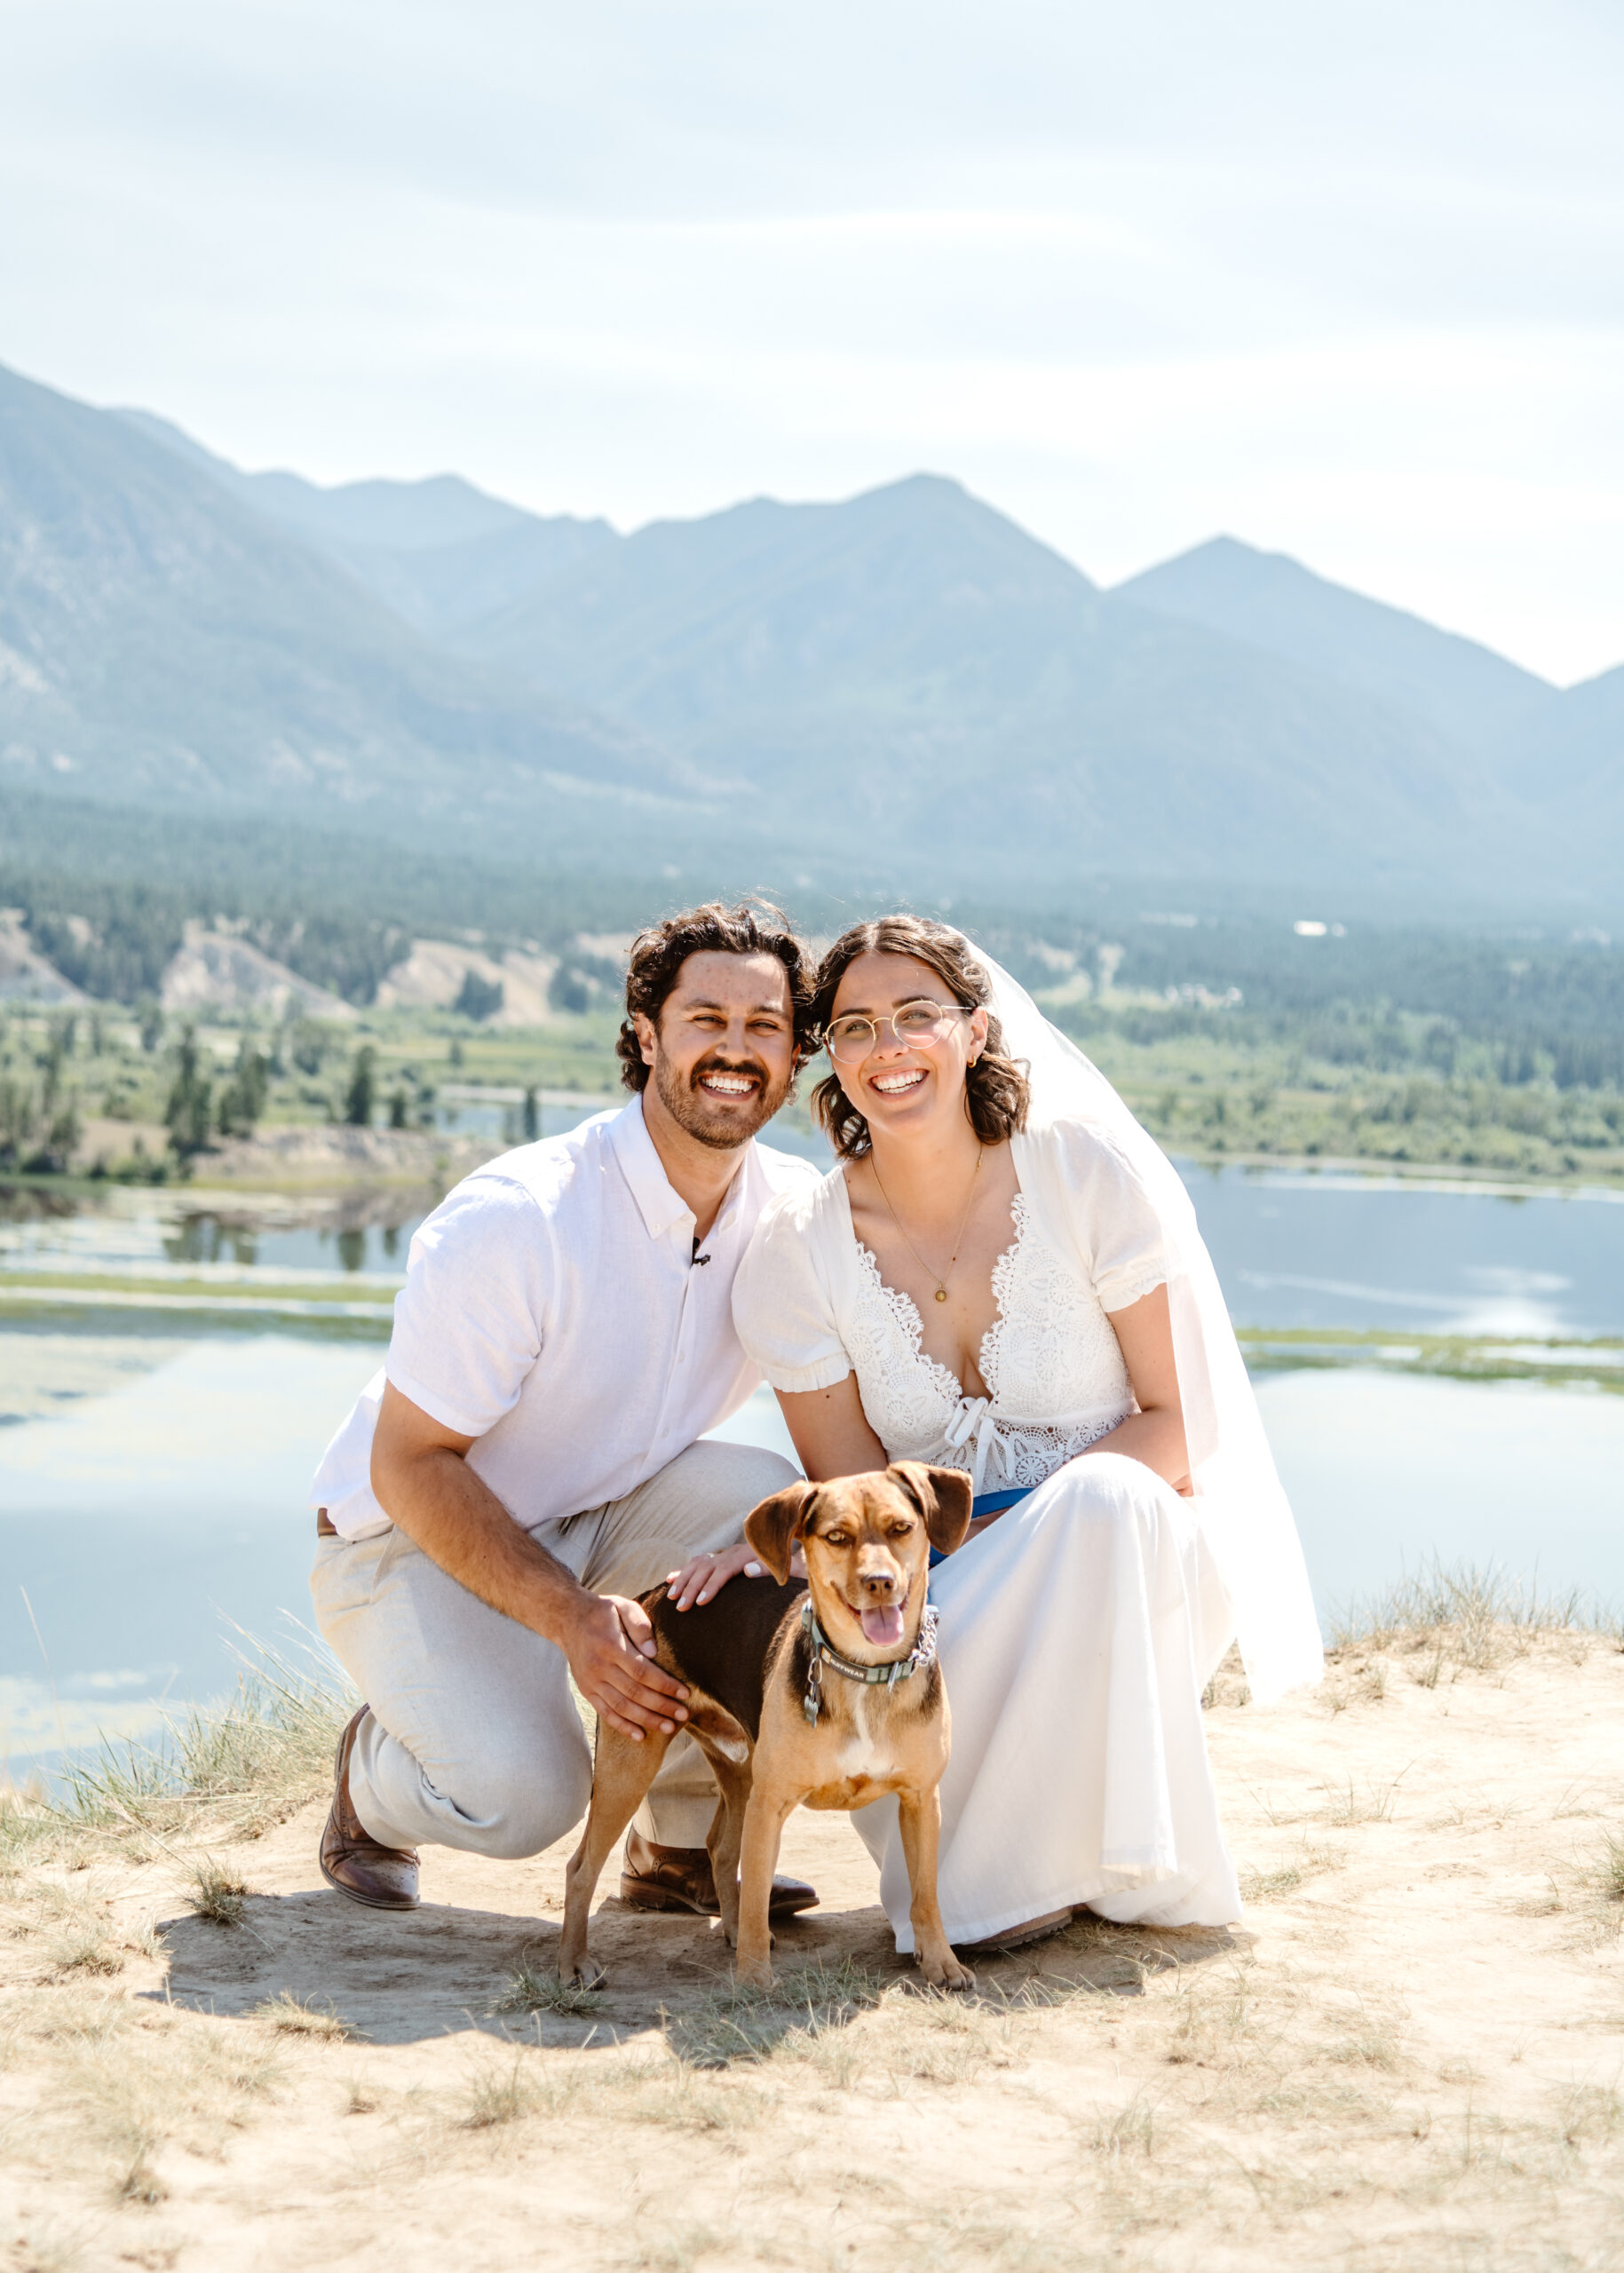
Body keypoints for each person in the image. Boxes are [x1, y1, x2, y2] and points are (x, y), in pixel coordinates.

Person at [673, 915, 1322, 1953]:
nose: (888, 1046)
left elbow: (1181, 1420)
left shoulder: (1081, 1176)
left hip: (1133, 1551)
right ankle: (974, 1899)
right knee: (884, 1615)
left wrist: (1025, 1518)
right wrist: (781, 1557)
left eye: (915, 1015)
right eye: (853, 1027)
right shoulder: (798, 1254)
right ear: (827, 1061)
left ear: (974, 1033)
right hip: (936, 1581)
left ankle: (1093, 1866)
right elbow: (854, 1497)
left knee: (1099, 1504)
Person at [307, 902, 824, 1921]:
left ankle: (673, 1843)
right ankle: (370, 1780)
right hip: (407, 1535)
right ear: (645, 1033)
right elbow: (406, 1463)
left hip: (601, 1508)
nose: (734, 1049)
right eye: (703, 1019)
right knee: (524, 1797)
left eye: (763, 1025)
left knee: (769, 1507)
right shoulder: (518, 1217)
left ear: (796, 1049)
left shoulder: (795, 1212)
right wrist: (571, 1620)